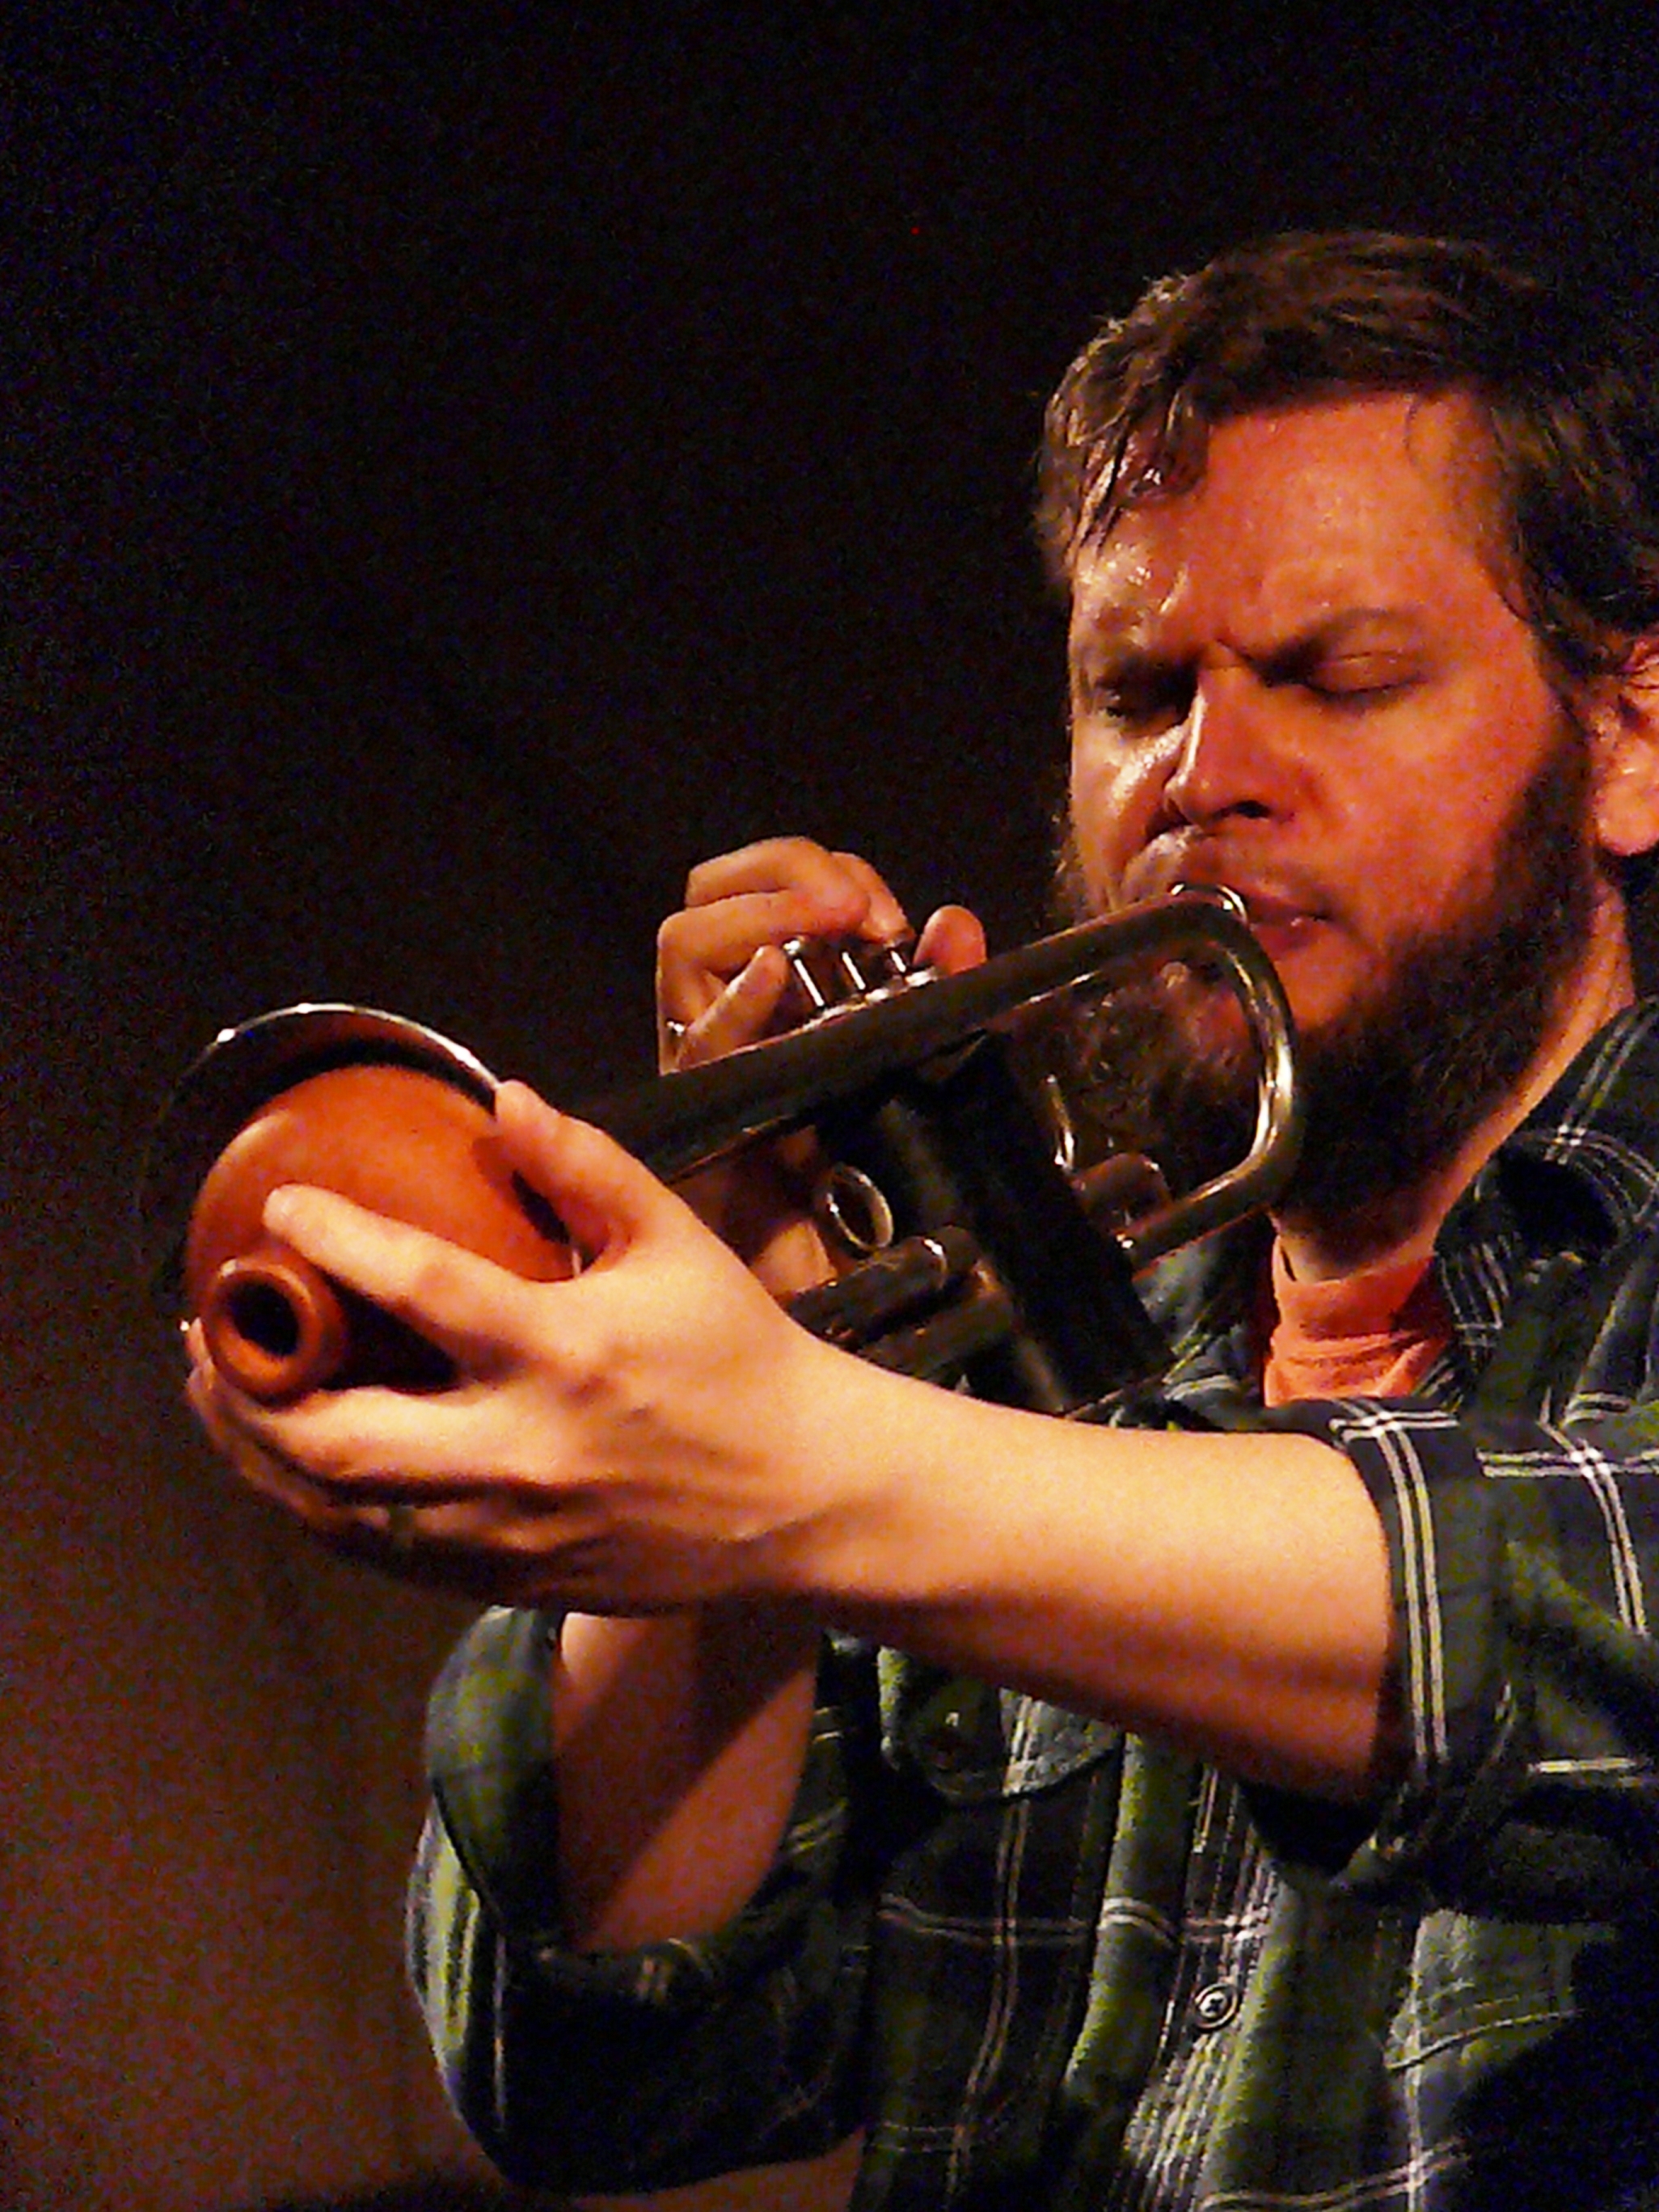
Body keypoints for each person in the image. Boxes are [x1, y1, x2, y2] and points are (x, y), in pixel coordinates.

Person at [190, 232, 1659, 2210]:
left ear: (1632, 737)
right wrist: (757, 1363)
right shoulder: (1002, 1376)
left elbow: (1590, 1633)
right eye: (1137, 691)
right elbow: (606, 2067)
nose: (1206, 776)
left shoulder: (908, 1471)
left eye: (1339, 674)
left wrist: (809, 1464)